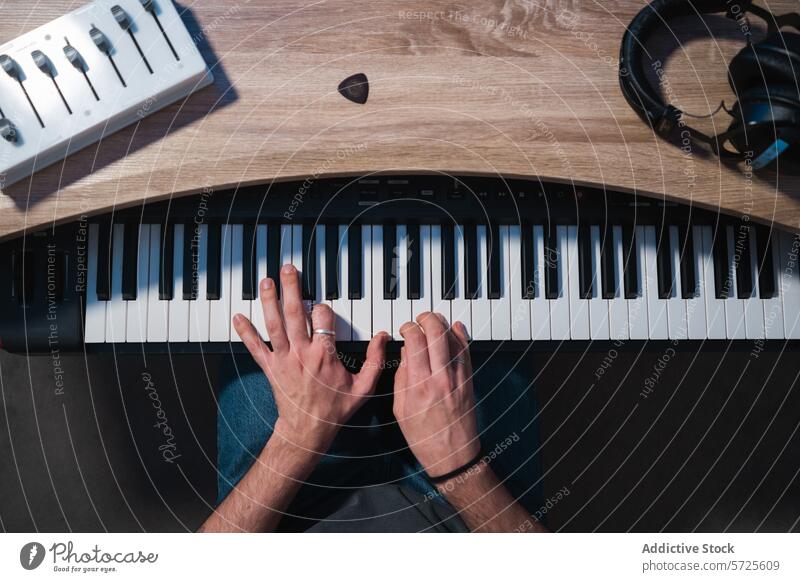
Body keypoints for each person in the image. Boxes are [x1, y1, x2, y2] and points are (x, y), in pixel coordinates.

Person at [199, 265, 548, 533]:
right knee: (488, 305)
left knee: (273, 294)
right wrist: (460, 468)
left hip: (290, 506)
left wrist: (298, 437)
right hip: (459, 511)